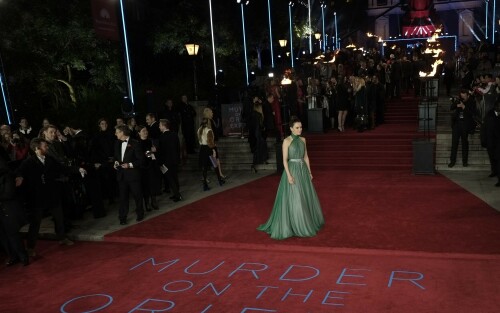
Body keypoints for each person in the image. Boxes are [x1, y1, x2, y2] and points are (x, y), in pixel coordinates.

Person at [257, 116, 324, 240]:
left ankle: (306, 221)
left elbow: (306, 157)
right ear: (291, 129)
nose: (300, 129)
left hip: (303, 171)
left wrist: (309, 172)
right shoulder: (287, 141)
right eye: (297, 128)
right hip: (292, 170)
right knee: (296, 197)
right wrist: (288, 175)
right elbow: (284, 160)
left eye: (301, 127)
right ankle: (297, 225)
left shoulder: (303, 140)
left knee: (305, 196)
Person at [113, 125, 145, 225]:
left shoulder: (135, 143)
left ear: (122, 132)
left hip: (133, 175)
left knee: (137, 195)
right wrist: (116, 163)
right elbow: (116, 157)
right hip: (121, 175)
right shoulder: (117, 143)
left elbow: (141, 160)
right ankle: (122, 217)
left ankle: (140, 213)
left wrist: (130, 165)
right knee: (123, 198)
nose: (115, 134)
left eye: (117, 132)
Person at [448, 89, 476, 168]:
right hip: (457, 124)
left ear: (468, 95)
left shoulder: (472, 102)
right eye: (461, 96)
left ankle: (465, 162)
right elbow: (451, 107)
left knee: (465, 144)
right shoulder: (459, 100)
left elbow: (472, 113)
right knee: (454, 143)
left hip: (465, 125)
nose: (462, 98)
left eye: (464, 96)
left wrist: (464, 107)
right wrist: (457, 105)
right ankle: (452, 161)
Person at [137, 125, 161, 211]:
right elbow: (140, 156)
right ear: (139, 133)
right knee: (146, 186)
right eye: (143, 131)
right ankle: (146, 203)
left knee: (153, 184)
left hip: (152, 166)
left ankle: (153, 201)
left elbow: (154, 153)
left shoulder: (150, 141)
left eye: (146, 130)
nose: (145, 132)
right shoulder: (138, 143)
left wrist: (154, 151)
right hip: (144, 168)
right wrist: (150, 152)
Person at [158, 119, 182, 202]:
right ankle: (176, 193)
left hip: (166, 162)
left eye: (160, 125)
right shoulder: (174, 134)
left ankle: (177, 195)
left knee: (170, 179)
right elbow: (178, 148)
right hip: (175, 160)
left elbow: (161, 151)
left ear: (164, 126)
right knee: (175, 178)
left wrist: (160, 162)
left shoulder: (161, 137)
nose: (159, 127)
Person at [197, 118, 224, 191]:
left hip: (202, 149)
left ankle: (205, 185)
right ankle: (220, 181)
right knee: (215, 165)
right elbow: (210, 142)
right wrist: (213, 150)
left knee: (204, 168)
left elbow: (200, 141)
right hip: (209, 149)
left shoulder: (199, 130)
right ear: (208, 123)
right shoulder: (209, 130)